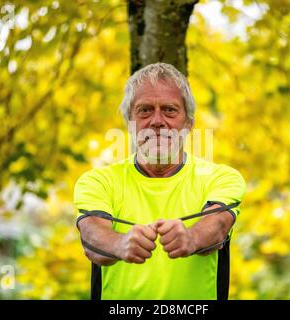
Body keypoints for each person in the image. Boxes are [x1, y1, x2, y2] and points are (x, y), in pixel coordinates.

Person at [74, 62, 246, 300]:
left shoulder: (222, 178)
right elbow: (92, 236)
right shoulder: (98, 181)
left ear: (189, 123)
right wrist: (121, 244)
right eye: (145, 110)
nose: (157, 121)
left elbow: (217, 226)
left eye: (169, 110)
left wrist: (191, 237)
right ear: (129, 123)